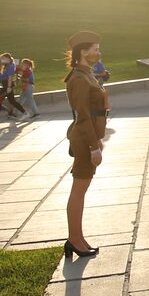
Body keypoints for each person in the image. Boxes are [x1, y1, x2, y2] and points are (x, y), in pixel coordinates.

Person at [64, 31, 107, 258]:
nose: (98, 53)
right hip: (83, 139)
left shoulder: (86, 74)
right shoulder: (80, 79)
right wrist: (93, 146)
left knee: (80, 190)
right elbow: (83, 115)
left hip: (88, 137)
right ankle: (74, 240)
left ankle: (78, 238)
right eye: (95, 50)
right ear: (83, 52)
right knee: (78, 191)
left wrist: (97, 140)